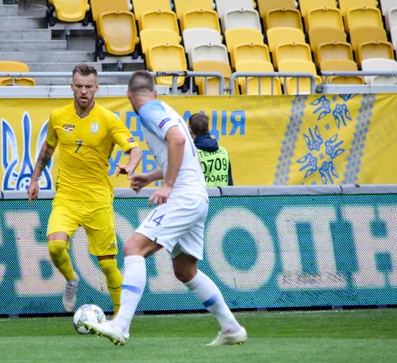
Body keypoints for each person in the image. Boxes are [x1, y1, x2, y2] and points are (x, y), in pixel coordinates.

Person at [85, 71, 247, 346]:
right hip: (197, 197)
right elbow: (180, 150)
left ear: (129, 96)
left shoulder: (147, 110)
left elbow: (179, 142)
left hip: (183, 197)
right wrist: (150, 177)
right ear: (155, 92)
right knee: (185, 270)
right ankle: (231, 328)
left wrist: (168, 186)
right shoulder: (165, 108)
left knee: (133, 248)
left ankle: (121, 325)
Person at [28, 64, 142, 316]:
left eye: (88, 86)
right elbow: (48, 149)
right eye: (79, 86)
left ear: (96, 88)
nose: (83, 91)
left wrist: (130, 167)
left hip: (97, 199)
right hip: (67, 197)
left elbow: (135, 149)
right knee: (55, 247)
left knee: (108, 265)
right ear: (72, 87)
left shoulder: (109, 119)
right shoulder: (58, 116)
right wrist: (35, 178)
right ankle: (71, 280)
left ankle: (120, 318)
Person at [188, 113, 234, 187]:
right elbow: (230, 182)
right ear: (208, 129)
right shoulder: (223, 152)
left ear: (190, 130)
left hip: (201, 197)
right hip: (222, 197)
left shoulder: (192, 154)